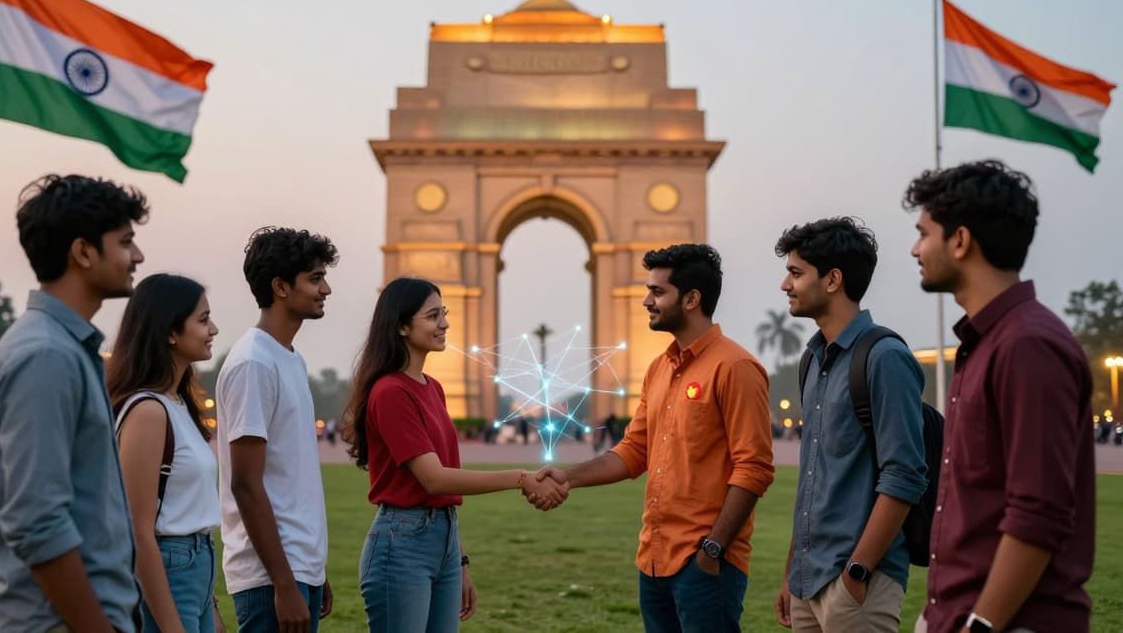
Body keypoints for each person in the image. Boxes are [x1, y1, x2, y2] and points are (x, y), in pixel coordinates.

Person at [534, 243, 775, 633]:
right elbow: (634, 451)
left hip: (705, 562)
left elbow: (755, 469)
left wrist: (713, 549)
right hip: (654, 558)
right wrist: (568, 477)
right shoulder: (659, 368)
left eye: (658, 291)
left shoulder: (736, 367)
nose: (646, 300)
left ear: (692, 299)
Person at [905, 161, 1094, 633]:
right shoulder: (988, 342)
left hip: (1013, 620)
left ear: (961, 241)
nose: (915, 248)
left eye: (924, 233)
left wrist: (982, 624)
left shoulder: (1027, 345)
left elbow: (1039, 512)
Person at [342, 277, 568, 632]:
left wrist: (458, 559)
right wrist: (520, 478)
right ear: (401, 326)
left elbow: (444, 486)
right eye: (432, 316)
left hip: (443, 539)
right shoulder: (390, 392)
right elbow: (434, 478)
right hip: (401, 546)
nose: (444, 323)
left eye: (443, 313)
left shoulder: (434, 388)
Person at [0, 174, 147, 631]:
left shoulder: (67, 348)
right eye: (126, 241)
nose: (138, 256)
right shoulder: (45, 356)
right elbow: (37, 521)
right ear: (83, 252)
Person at [771, 218, 928, 631]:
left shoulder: (884, 357)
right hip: (808, 581)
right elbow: (812, 478)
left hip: (859, 583)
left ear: (832, 280)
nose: (785, 285)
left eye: (795, 272)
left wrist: (857, 574)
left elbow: (905, 475)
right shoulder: (814, 360)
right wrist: (792, 571)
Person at [215, 227, 339, 633]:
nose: (327, 289)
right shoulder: (254, 363)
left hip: (296, 568)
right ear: (281, 287)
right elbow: (245, 485)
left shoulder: (289, 359)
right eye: (316, 279)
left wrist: (313, 570)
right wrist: (285, 583)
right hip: (268, 578)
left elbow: (290, 475)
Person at [107, 274, 224, 633]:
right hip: (168, 568)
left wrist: (212, 606)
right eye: (203, 320)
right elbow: (138, 529)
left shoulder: (178, 404)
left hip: (197, 563)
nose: (214, 329)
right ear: (170, 332)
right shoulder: (148, 410)